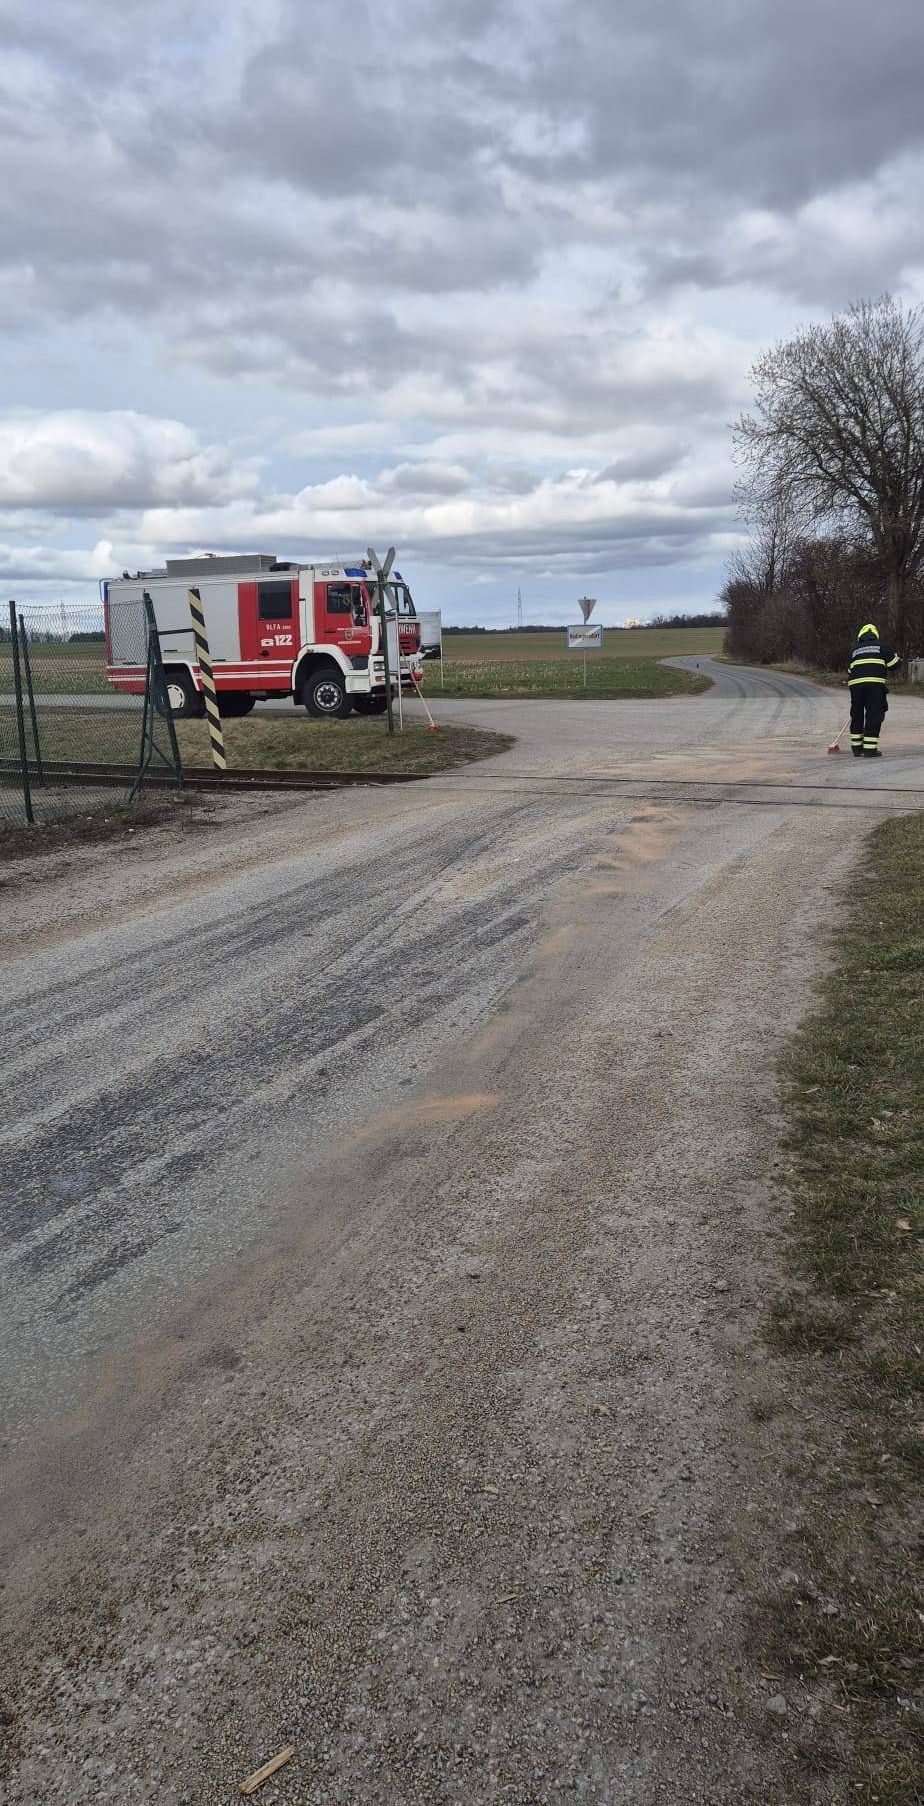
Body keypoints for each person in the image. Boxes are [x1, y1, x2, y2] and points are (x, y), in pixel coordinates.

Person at [847, 622, 900, 757]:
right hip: (874, 686)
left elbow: (849, 669)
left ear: (860, 636)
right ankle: (870, 749)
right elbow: (894, 665)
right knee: (874, 715)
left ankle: (857, 749)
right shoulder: (881, 647)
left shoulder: (854, 649)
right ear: (875, 635)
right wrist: (896, 656)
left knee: (856, 714)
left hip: (856, 687)